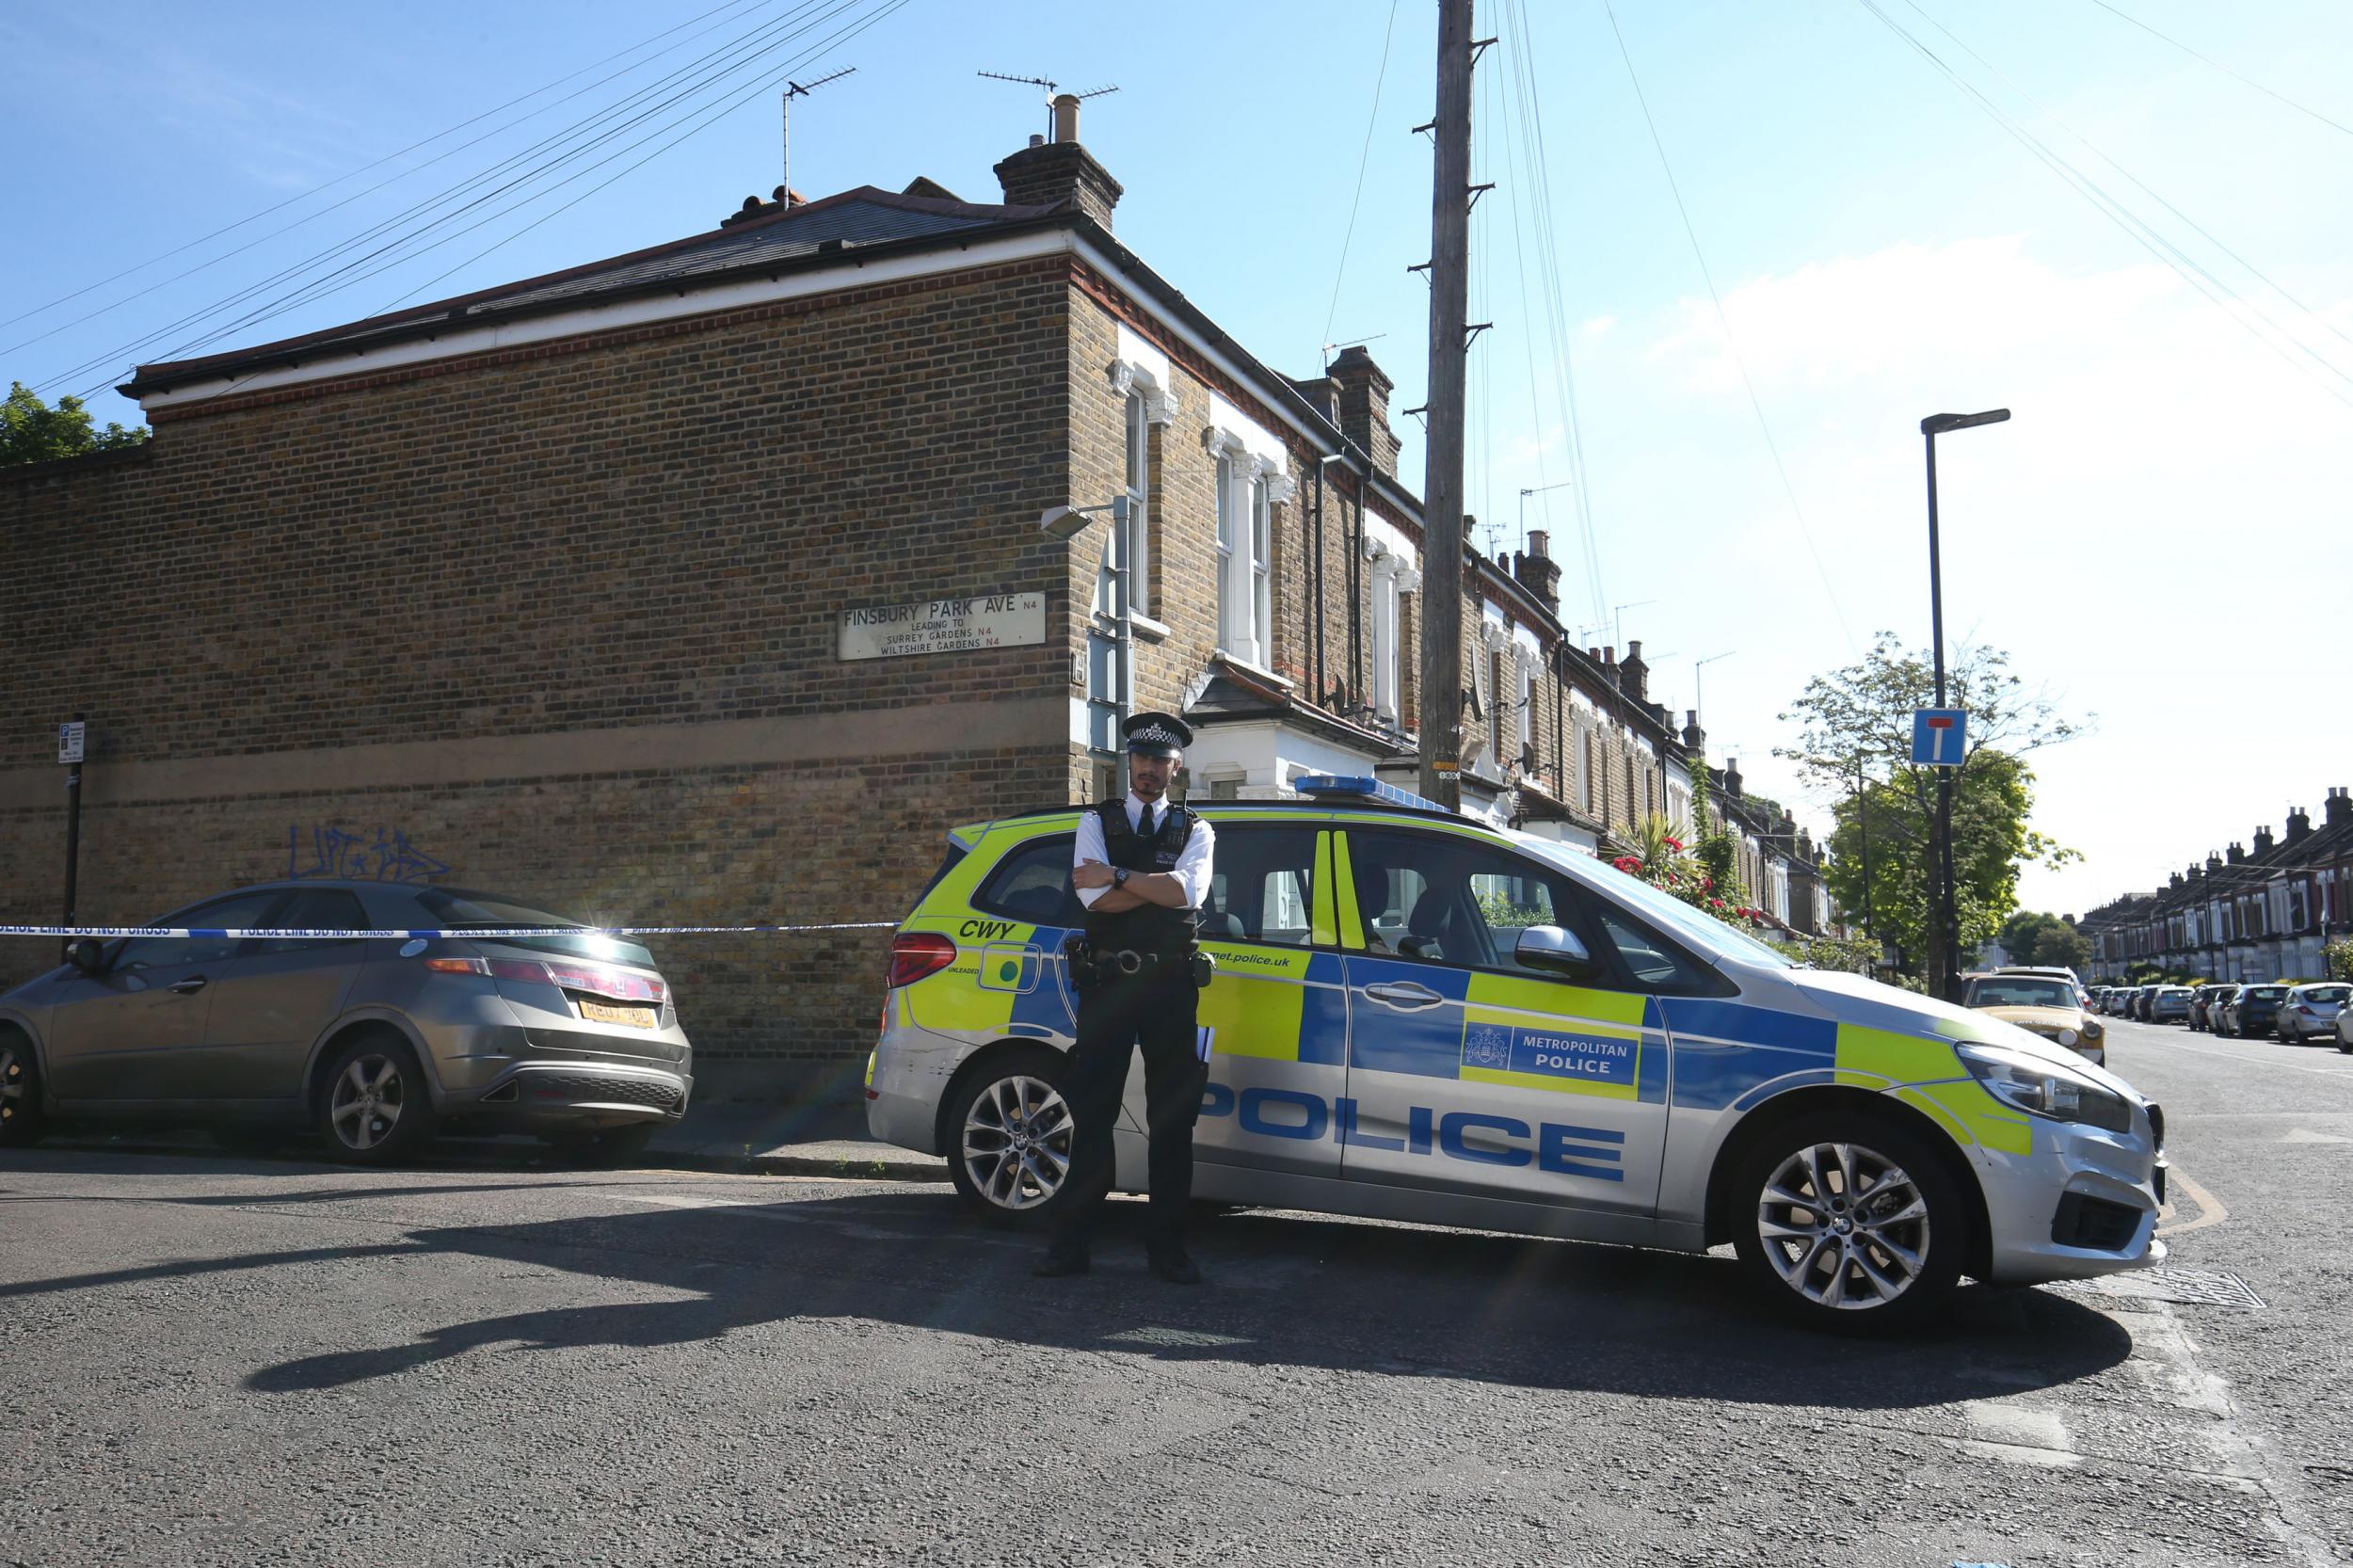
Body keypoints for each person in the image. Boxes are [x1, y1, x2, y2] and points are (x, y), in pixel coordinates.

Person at [1035, 711, 1217, 1285]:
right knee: (1091, 1117)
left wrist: (1114, 876)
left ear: (1176, 766)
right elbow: (1092, 904)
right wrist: (1149, 890)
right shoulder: (1097, 820)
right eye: (1141, 758)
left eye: (1160, 761)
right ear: (1128, 762)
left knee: (1172, 1122)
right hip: (1109, 983)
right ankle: (1071, 1248)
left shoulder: (1197, 830)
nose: (1149, 770)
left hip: (1169, 985)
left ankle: (1168, 1251)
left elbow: (1186, 893)